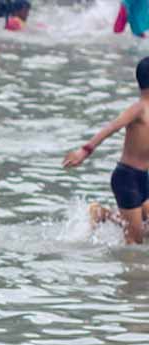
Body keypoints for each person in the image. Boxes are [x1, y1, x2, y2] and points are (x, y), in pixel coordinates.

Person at [62, 57, 149, 245]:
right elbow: (111, 127)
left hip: (144, 177)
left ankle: (103, 214)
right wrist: (84, 151)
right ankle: (133, 272)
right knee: (135, 241)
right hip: (127, 178)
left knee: (145, 229)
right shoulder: (138, 109)